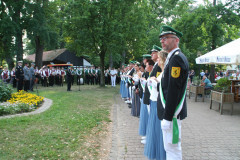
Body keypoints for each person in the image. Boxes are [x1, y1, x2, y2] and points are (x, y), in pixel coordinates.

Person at [158, 25, 189, 160]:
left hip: (172, 114)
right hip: (171, 112)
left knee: (172, 148)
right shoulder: (173, 57)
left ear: (176, 40)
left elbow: (173, 90)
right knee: (170, 148)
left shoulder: (176, 58)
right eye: (161, 38)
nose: (162, 41)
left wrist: (168, 117)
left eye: (165, 38)